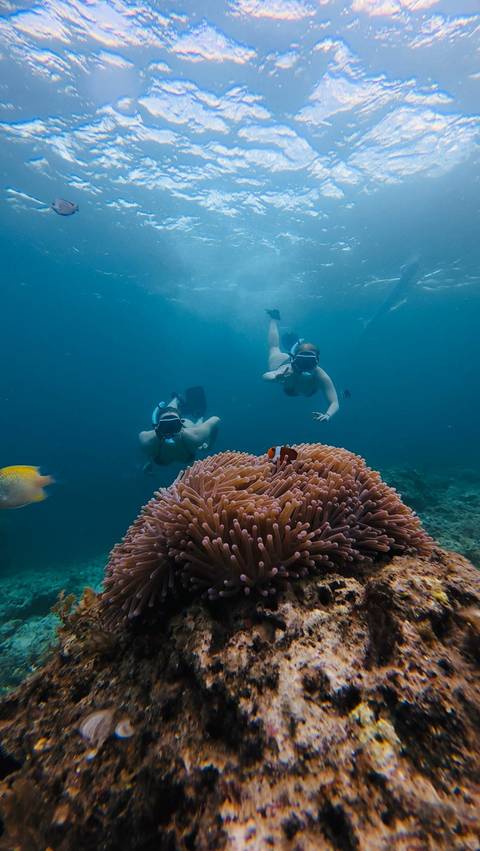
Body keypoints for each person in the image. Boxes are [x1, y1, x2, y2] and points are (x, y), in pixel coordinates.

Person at [263, 310, 339, 422]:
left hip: (291, 374)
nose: (304, 366)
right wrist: (276, 376)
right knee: (274, 347)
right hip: (282, 362)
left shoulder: (320, 375)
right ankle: (274, 318)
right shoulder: (286, 370)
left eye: (309, 362)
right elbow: (266, 376)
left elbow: (334, 402)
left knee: (274, 347)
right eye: (302, 361)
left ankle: (278, 324)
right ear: (293, 359)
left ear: (317, 362)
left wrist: (328, 415)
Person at [139, 387, 220, 470]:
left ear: (181, 424)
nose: (170, 431)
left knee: (196, 424)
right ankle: (177, 399)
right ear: (157, 427)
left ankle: (196, 415)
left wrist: (210, 446)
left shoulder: (194, 435)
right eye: (165, 426)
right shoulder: (147, 441)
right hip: (183, 431)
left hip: (189, 426)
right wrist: (149, 461)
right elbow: (216, 419)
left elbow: (215, 420)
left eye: (174, 425)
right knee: (170, 413)